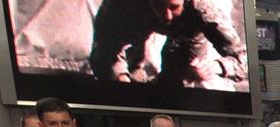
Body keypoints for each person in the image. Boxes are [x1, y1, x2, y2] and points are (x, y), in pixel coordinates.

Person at [89, 0, 247, 87]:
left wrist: (213, 67)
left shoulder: (205, 9)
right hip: (138, 26)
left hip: (191, 34)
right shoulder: (119, 5)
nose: (167, 16)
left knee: (189, 81)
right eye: (158, 4)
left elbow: (243, 59)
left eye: (174, 7)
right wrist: (120, 79)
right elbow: (104, 48)